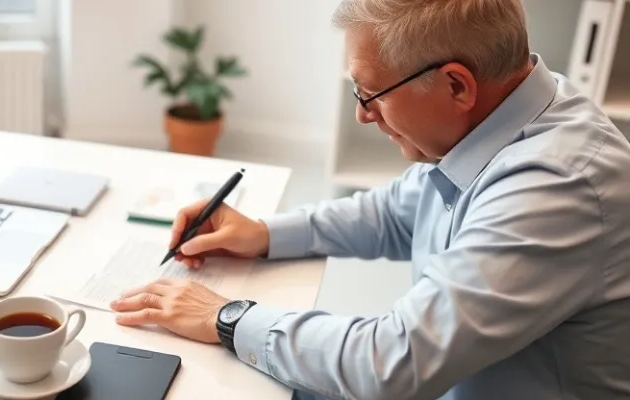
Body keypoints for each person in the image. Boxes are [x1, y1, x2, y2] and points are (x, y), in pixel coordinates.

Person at [110, 0, 630, 399]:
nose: (362, 114)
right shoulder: (512, 110)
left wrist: (226, 317)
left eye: (368, 92)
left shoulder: (557, 185)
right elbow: (393, 212)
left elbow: (389, 364)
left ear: (456, 85)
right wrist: (265, 234)